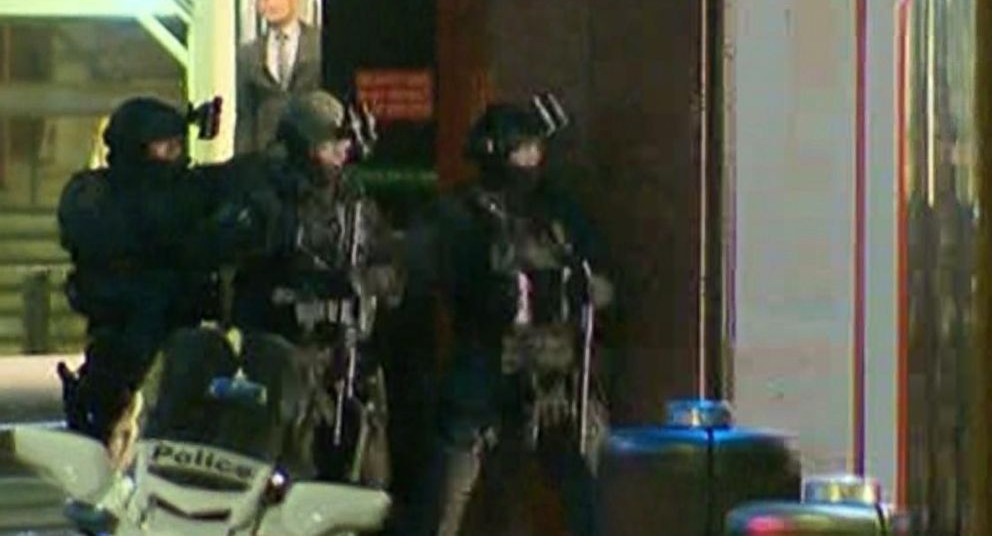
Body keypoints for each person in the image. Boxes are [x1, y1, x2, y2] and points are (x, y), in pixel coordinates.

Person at [406, 101, 612, 536]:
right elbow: (426, 274)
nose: (532, 159)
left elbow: (600, 276)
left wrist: (584, 290)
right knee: (450, 493)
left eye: (536, 148)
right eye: (521, 149)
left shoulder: (557, 210)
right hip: (486, 362)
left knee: (587, 489)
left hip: (556, 370)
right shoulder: (459, 213)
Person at [223, 90, 401, 485]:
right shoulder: (266, 196)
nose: (340, 153)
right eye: (328, 144)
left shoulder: (352, 198)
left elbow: (389, 264)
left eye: (343, 143)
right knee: (290, 469)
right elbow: (244, 267)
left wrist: (363, 282)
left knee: (367, 476)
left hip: (345, 353)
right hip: (285, 354)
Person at [57, 97, 219, 450]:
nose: (175, 157)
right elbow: (132, 231)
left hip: (181, 344)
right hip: (121, 345)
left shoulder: (186, 191)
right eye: (165, 148)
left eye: (179, 147)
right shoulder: (94, 195)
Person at [235, 0, 322, 154]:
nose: (271, 4)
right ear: (258, 5)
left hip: (313, 146)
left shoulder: (319, 43)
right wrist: (243, 162)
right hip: (268, 152)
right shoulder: (247, 54)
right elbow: (246, 115)